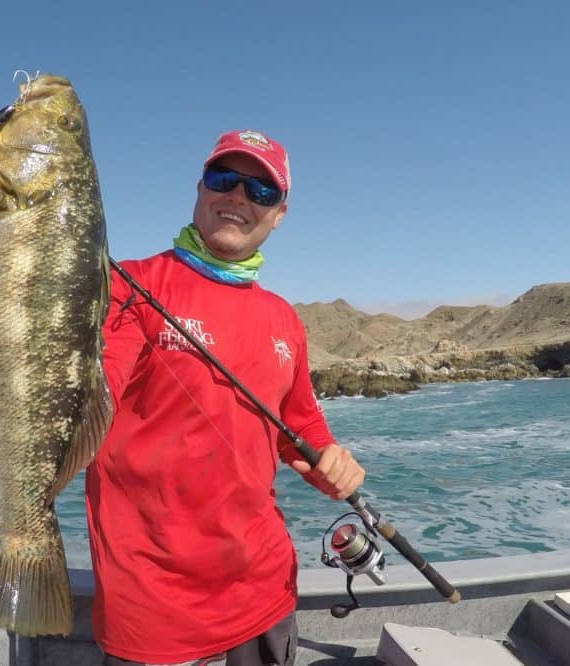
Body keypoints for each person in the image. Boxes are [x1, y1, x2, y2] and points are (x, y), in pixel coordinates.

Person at [86, 130, 366, 666]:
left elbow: (300, 428)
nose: (239, 196)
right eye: (225, 179)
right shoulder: (128, 285)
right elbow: (90, 392)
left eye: (261, 191)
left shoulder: (285, 318)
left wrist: (332, 463)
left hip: (266, 592)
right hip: (152, 609)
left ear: (279, 213)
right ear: (200, 188)